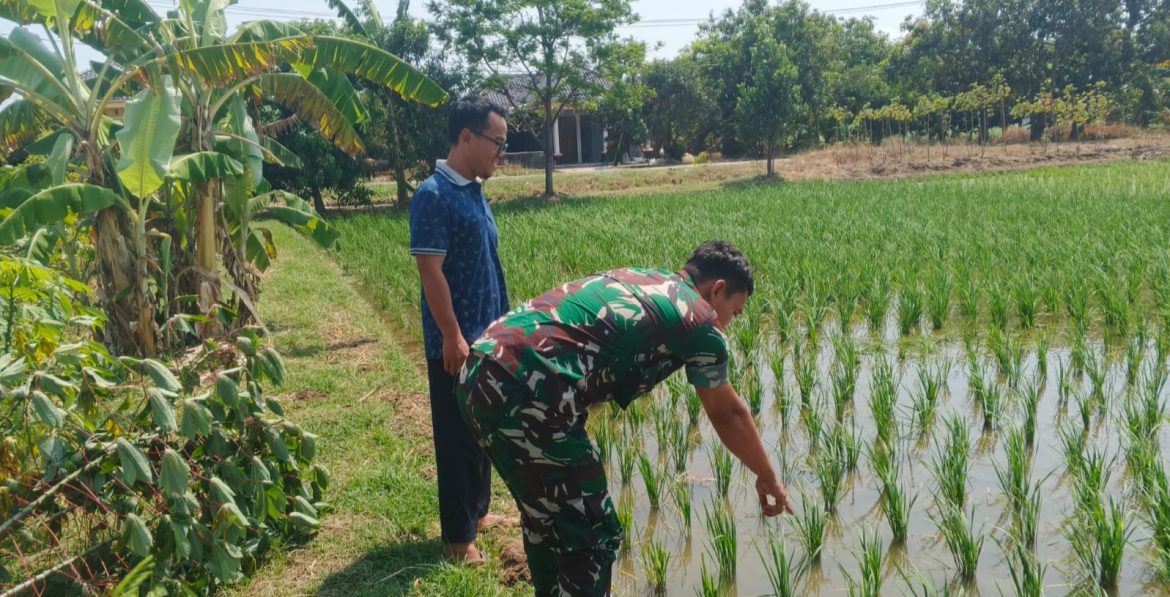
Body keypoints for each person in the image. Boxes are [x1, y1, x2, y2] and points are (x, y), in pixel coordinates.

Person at [455, 240, 795, 595]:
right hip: (527, 391)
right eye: (734, 313)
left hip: (479, 373)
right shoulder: (700, 320)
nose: (729, 324)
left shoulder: (647, 279)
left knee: (547, 521)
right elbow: (727, 413)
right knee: (593, 535)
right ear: (717, 289)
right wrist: (768, 476)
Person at [409, 95, 511, 564]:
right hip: (456, 342)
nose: (500, 153)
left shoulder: (472, 189)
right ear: (466, 137)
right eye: (497, 142)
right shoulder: (433, 195)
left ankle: (479, 514)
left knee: (481, 431)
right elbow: (432, 272)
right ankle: (456, 539)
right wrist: (451, 334)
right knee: (455, 439)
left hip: (486, 337)